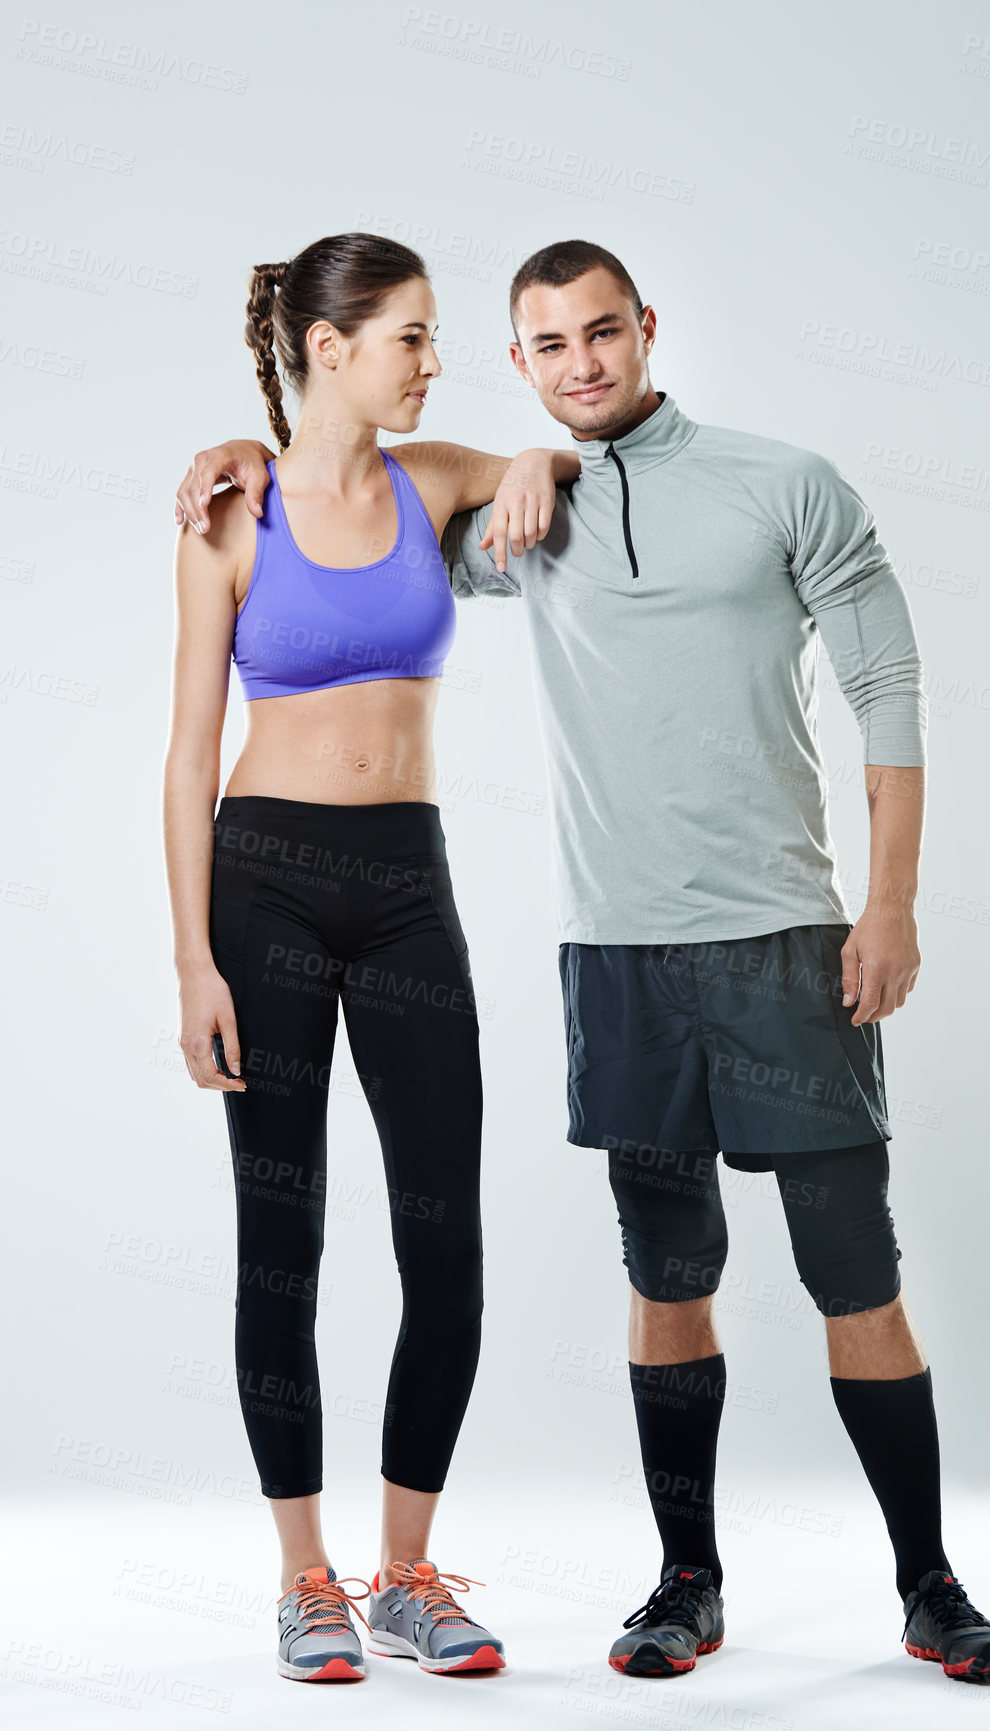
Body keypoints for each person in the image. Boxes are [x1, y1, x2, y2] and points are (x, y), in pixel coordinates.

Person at [174, 238, 990, 1686]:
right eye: (539, 345)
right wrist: (236, 447)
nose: (577, 363)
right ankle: (651, 1582)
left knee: (840, 1268)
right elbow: (297, 590)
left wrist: (892, 903)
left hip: (764, 936)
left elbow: (885, 677)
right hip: (583, 948)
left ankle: (927, 1583)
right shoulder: (399, 509)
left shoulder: (756, 483)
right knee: (654, 1266)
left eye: (601, 333)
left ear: (647, 328)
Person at [162, 229, 580, 1683]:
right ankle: (305, 1582)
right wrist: (191, 965)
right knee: (283, 1243)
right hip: (262, 881)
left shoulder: (435, 475)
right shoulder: (232, 509)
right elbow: (185, 752)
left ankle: (407, 1572)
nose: (430, 359)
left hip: (407, 882)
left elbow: (564, 460)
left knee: (444, 1242)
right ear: (326, 347)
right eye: (409, 335)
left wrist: (532, 463)